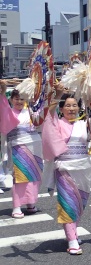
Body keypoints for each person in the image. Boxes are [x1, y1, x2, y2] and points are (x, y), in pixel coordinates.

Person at [42, 86, 91, 255]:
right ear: (62, 109)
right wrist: (57, 95)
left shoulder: (84, 124)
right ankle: (71, 240)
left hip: (83, 168)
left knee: (80, 204)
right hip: (64, 169)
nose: (72, 109)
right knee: (68, 203)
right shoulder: (56, 123)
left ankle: (73, 233)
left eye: (74, 105)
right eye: (68, 106)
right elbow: (48, 114)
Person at [0, 82, 43, 219]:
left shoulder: (31, 112)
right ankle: (17, 206)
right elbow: (3, 108)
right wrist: (2, 92)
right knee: (20, 178)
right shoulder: (8, 112)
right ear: (11, 99)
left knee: (34, 176)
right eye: (16, 98)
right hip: (18, 147)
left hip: (35, 146)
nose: (19, 101)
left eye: (22, 98)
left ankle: (30, 203)